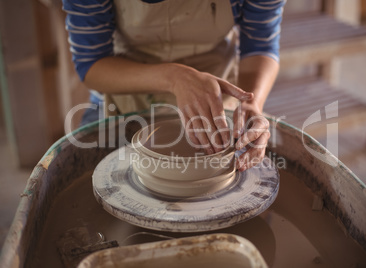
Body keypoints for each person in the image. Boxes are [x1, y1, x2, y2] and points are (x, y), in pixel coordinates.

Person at [63, 0, 285, 171]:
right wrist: (175, 78)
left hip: (216, 95)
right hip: (125, 85)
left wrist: (251, 105)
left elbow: (260, 46)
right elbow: (91, 64)